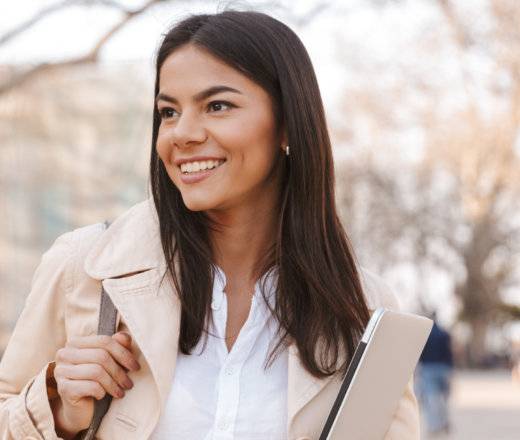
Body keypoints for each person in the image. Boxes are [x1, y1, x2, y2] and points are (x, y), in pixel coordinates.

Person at [0, 10, 420, 440]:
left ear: (288, 123)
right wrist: (59, 413)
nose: (181, 133)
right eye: (168, 111)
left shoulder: (362, 309)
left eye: (217, 106)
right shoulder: (84, 269)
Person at [415, 312, 454, 437]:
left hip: (428, 368)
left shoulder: (424, 334)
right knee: (444, 398)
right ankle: (444, 421)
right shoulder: (444, 333)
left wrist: (418, 370)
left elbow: (420, 353)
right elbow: (449, 352)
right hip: (444, 368)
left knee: (432, 399)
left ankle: (434, 426)